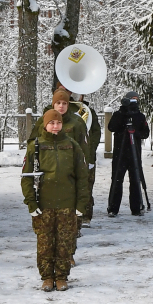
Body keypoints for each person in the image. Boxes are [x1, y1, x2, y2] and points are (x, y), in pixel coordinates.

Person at [21, 109, 89, 291]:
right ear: (45, 124)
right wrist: (31, 203)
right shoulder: (35, 147)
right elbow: (26, 177)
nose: (55, 126)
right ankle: (47, 277)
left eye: (58, 123)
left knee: (65, 243)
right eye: (51, 123)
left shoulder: (72, 146)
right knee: (45, 243)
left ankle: (61, 277)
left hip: (68, 203)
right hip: (44, 204)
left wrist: (82, 203)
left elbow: (83, 178)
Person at [107, 92, 150, 217]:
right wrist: (122, 114)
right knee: (116, 180)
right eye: (131, 99)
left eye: (136, 99)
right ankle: (113, 208)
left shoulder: (140, 116)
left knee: (136, 180)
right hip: (119, 153)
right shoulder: (118, 114)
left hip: (134, 153)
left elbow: (145, 133)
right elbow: (111, 127)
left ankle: (136, 208)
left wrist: (135, 132)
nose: (133, 102)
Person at [69, 92, 101, 227]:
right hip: (69, 155)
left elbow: (95, 133)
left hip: (87, 155)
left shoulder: (88, 111)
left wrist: (89, 149)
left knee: (86, 185)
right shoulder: (59, 111)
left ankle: (86, 215)